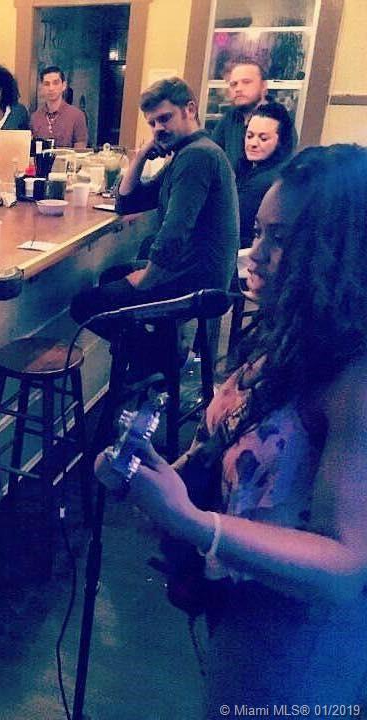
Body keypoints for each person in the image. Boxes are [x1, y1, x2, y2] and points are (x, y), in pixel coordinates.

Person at [97, 144, 367, 713]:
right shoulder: (293, 331)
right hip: (242, 602)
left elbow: (345, 565)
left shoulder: (356, 376)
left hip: (299, 636)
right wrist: (160, 477)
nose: (254, 254)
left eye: (280, 239)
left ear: (342, 251)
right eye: (258, 233)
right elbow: (239, 449)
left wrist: (194, 523)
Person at [70, 77, 238, 355]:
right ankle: (157, 352)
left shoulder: (197, 156)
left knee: (83, 305)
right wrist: (143, 154)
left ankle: (164, 356)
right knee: (112, 275)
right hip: (196, 270)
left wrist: (149, 278)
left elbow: (174, 233)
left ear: (190, 109)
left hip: (197, 280)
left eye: (165, 118)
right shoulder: (187, 152)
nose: (159, 128)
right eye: (152, 123)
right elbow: (127, 202)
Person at [236, 101, 295, 248]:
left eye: (263, 138)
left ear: (281, 141)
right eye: (249, 136)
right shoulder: (244, 170)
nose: (253, 143)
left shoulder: (273, 179)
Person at [211, 60, 269, 171]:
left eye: (246, 82)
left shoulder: (278, 120)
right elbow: (212, 157)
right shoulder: (229, 118)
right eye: (233, 84)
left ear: (263, 86)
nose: (238, 89)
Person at [29, 66, 88, 150]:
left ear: (64, 85)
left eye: (55, 83)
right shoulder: (35, 117)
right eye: (47, 84)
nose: (51, 88)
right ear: (42, 87)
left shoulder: (77, 116)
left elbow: (80, 151)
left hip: (69, 158)